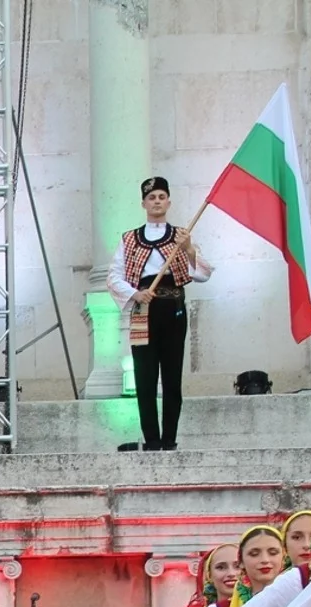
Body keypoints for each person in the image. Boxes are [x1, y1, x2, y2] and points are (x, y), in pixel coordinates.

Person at [109, 177, 213, 453]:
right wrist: (135, 294)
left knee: (171, 377)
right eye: (151, 197)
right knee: (143, 379)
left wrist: (189, 249)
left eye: (161, 196)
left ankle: (170, 439)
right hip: (144, 308)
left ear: (168, 202)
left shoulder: (181, 235)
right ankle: (152, 440)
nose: (156, 201)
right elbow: (114, 277)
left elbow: (202, 274)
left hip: (173, 309)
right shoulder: (130, 239)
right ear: (143, 203)